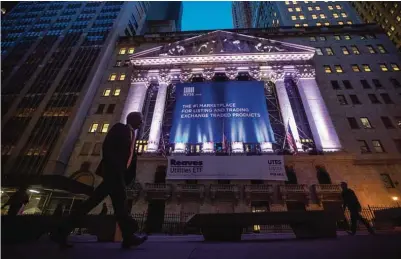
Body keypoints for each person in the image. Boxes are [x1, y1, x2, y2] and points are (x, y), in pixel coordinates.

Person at [51, 112, 146, 249]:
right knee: (118, 205)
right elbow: (108, 147)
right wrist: (115, 169)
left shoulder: (132, 135)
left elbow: (129, 157)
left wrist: (126, 175)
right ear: (134, 119)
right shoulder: (120, 128)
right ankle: (129, 235)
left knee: (106, 205)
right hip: (113, 174)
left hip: (118, 175)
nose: (142, 123)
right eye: (140, 120)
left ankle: (61, 231)